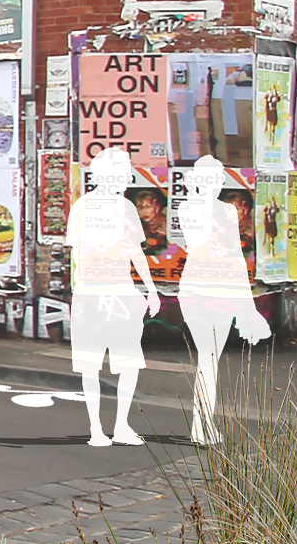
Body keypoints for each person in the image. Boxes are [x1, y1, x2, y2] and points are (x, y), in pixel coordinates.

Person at [175, 154, 271, 443]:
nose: (215, 184)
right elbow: (200, 243)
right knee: (208, 358)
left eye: (218, 179)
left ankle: (201, 425)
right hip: (198, 289)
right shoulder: (189, 209)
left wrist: (248, 306)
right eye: (210, 179)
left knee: (211, 360)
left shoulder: (226, 212)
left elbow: (235, 256)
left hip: (220, 287)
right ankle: (201, 427)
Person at [68, 148, 158, 448]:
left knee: (128, 362)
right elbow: (75, 253)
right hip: (94, 292)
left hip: (118, 292)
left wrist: (150, 289)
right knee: (90, 364)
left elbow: (136, 251)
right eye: (119, 174)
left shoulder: (126, 208)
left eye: (126, 174)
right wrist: (81, 287)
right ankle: (96, 428)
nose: (125, 179)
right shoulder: (83, 207)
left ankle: (121, 426)